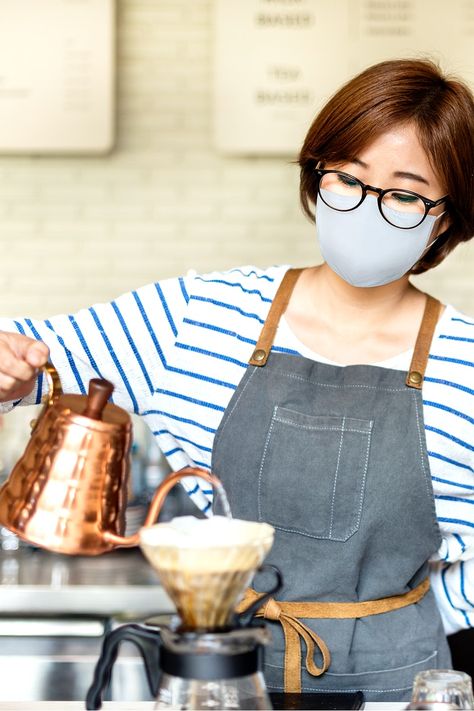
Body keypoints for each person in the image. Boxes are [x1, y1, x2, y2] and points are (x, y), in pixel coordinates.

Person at [0, 58, 473, 702]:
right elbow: (36, 358)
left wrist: (398, 620)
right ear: (318, 176)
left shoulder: (465, 363)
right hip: (223, 675)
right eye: (348, 179)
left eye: (405, 193)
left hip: (397, 686)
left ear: (444, 217)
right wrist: (10, 373)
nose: (367, 207)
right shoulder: (202, 314)